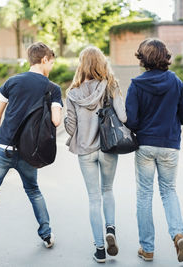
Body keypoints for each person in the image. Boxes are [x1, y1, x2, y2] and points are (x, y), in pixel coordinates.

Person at [0, 42, 63, 262]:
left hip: (2, 147)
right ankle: (46, 235)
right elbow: (56, 121)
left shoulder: (12, 81)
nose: (51, 67)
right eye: (52, 62)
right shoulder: (53, 88)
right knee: (34, 191)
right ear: (45, 59)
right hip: (29, 151)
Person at [125, 39, 183, 262]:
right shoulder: (176, 82)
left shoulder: (136, 85)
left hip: (145, 145)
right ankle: (178, 234)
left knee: (144, 195)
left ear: (142, 58)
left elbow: (132, 121)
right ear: (165, 56)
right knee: (169, 191)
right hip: (170, 146)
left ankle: (147, 248)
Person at [64, 46, 126, 263]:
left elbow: (70, 128)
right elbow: (124, 117)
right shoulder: (111, 85)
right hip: (108, 147)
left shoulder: (72, 92)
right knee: (108, 189)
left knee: (93, 198)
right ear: (102, 63)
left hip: (85, 150)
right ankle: (111, 229)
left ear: (81, 65)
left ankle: (100, 249)